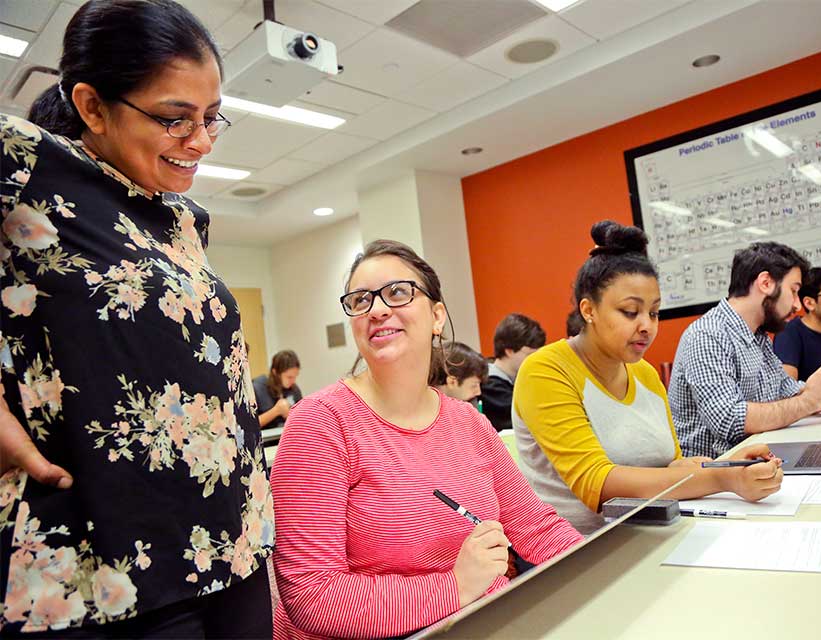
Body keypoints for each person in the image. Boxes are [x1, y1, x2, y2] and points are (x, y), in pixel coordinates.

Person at [0, 1, 273, 636]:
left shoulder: (183, 218)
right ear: (92, 106)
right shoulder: (27, 167)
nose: (200, 141)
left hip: (233, 545)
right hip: (104, 566)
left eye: (211, 118)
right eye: (176, 119)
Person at [270, 240, 582, 639]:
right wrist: (456, 586)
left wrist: (601, 572)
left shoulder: (468, 422)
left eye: (398, 293)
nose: (378, 310)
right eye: (361, 300)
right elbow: (313, 597)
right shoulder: (320, 423)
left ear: (437, 316)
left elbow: (536, 528)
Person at [513, 221, 783, 534]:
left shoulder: (643, 372)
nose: (647, 326)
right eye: (630, 311)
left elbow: (673, 464)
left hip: (648, 529)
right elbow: (598, 484)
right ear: (589, 310)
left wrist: (728, 464)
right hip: (575, 547)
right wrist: (722, 480)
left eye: (654, 313)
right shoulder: (545, 370)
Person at [669, 242, 821, 459]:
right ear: (766, 283)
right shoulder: (707, 334)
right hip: (714, 474)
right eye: (794, 291)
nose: (798, 305)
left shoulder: (758, 335)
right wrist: (809, 401)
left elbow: (785, 389)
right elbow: (730, 420)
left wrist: (816, 388)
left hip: (756, 460)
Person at [479, 314, 546, 431]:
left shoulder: (516, 379)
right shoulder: (490, 386)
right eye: (530, 355)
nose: (536, 360)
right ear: (509, 351)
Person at [253, 350, 303, 430]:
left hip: (288, 437)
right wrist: (276, 411)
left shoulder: (294, 389)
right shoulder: (258, 387)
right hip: (267, 440)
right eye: (289, 377)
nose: (293, 381)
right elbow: (249, 426)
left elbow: (302, 419)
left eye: (295, 376)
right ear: (275, 372)